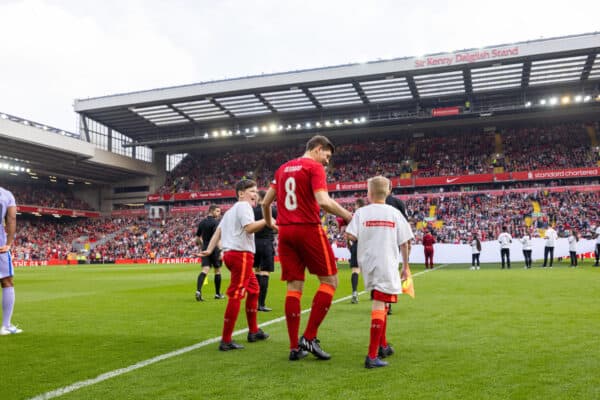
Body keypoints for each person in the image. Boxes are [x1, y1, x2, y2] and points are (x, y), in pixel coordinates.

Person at [262, 135, 353, 361]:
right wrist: (348, 215)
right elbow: (323, 201)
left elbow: (265, 203)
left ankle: (295, 347)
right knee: (330, 281)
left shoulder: (282, 169)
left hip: (285, 232)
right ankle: (309, 338)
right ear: (317, 149)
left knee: (294, 287)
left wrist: (270, 223)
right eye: (327, 156)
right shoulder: (313, 167)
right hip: (308, 229)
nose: (326, 162)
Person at [345, 176, 414, 368]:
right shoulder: (394, 213)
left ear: (369, 194)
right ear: (388, 192)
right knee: (379, 303)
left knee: (381, 301)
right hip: (386, 263)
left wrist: (359, 244)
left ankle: (382, 345)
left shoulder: (361, 213)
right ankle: (372, 355)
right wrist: (406, 267)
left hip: (368, 263)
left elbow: (350, 235)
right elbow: (405, 242)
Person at [200, 179, 269, 351]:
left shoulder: (230, 211)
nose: (255, 194)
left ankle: (253, 331)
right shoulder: (244, 207)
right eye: (252, 191)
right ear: (241, 194)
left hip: (232, 255)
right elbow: (250, 228)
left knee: (254, 290)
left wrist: (209, 250)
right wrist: (269, 221)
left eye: (256, 191)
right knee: (237, 294)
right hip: (241, 255)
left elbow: (218, 232)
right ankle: (226, 340)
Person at [0, 186, 22, 335]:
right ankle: (6, 326)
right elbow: (12, 218)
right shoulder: (6, 194)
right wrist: (8, 243)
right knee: (7, 280)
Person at [253, 190, 277, 312]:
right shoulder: (272, 211)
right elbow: (278, 226)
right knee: (265, 273)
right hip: (266, 243)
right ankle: (261, 304)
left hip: (254, 244)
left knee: (257, 272)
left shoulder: (252, 211)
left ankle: (255, 302)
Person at [194, 204, 225, 301]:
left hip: (205, 248)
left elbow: (197, 238)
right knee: (217, 271)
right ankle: (217, 294)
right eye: (217, 211)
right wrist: (221, 251)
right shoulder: (216, 223)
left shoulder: (202, 222)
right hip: (215, 249)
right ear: (211, 211)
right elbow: (217, 238)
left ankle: (198, 291)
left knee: (205, 270)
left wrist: (203, 246)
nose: (219, 213)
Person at [348, 198, 365, 304]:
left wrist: (350, 239)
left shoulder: (356, 216)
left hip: (358, 244)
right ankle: (374, 293)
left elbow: (350, 235)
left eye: (355, 205)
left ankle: (354, 293)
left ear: (358, 205)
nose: (354, 207)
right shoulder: (368, 215)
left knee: (355, 270)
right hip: (367, 245)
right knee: (371, 269)